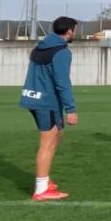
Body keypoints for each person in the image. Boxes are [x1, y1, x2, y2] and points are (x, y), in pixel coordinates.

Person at [19, 16, 78, 201]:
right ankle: (41, 189)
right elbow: (62, 83)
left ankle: (44, 178)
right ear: (69, 31)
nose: (75, 32)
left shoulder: (40, 46)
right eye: (74, 29)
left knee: (58, 134)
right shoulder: (61, 52)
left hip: (34, 99)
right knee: (48, 142)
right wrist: (71, 109)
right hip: (47, 102)